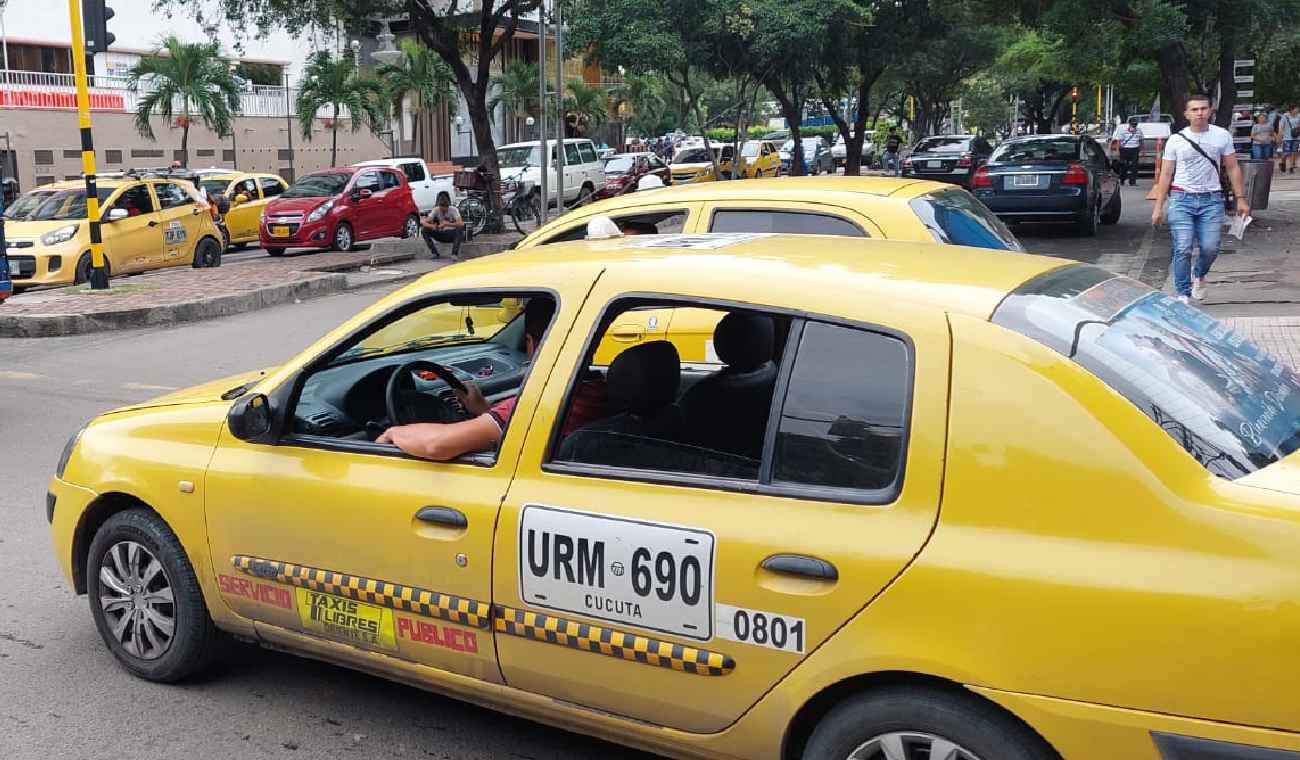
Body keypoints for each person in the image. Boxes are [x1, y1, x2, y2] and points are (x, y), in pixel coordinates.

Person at [377, 298, 606, 460]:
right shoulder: (599, 390)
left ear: (530, 343)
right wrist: (483, 410)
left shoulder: (553, 401)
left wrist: (394, 433)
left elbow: (437, 445)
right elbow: (510, 428)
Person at [1151, 92, 1250, 304]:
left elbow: (1232, 167)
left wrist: (1240, 198)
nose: (1200, 113)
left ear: (1210, 111)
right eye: (1194, 109)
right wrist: (1159, 206)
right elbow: (1166, 174)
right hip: (1181, 199)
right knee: (1183, 247)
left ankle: (1200, 273)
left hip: (1211, 200)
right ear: (1186, 113)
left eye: (1203, 108)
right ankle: (1182, 294)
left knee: (1211, 247)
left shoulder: (1221, 135)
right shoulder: (1176, 140)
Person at [420, 190, 464, 259]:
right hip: (440, 233)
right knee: (424, 230)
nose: (443, 211)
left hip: (451, 234)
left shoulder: (454, 210)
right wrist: (432, 226)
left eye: (445, 210)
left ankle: (454, 254)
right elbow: (424, 222)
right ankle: (434, 253)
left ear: (448, 206)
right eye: (441, 209)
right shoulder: (436, 210)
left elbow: (461, 223)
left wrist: (448, 224)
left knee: (460, 229)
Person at [1112, 117, 1143, 185]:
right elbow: (1119, 141)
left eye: (1135, 125)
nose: (1134, 126)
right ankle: (1122, 179)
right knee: (1124, 166)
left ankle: (1132, 182)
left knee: (1134, 167)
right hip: (1124, 149)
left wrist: (1141, 150)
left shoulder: (1139, 131)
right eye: (1133, 125)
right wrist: (1117, 150)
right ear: (1129, 124)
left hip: (1135, 149)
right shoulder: (1123, 131)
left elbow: (1141, 141)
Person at [1279, 104, 1300, 175]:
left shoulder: (1299, 116)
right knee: (1286, 153)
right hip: (1287, 137)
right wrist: (1280, 135)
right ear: (1291, 109)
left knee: (1294, 152)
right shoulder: (1285, 116)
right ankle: (1282, 163)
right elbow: (1281, 126)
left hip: (1296, 137)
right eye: (1296, 109)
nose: (1297, 110)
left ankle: (1291, 168)